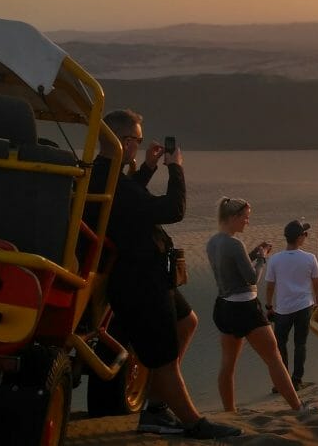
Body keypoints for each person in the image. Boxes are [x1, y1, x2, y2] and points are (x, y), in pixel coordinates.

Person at [86, 109, 241, 439]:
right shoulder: (111, 179)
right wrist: (176, 169)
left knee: (187, 322)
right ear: (124, 141)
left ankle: (156, 407)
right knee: (164, 358)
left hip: (152, 274)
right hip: (138, 281)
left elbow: (128, 201)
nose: (139, 145)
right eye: (137, 140)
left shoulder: (107, 175)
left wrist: (148, 168)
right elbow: (173, 210)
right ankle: (193, 423)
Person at [206, 197, 305, 412]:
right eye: (245, 218)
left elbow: (231, 266)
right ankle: (298, 407)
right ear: (233, 217)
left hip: (224, 308)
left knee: (227, 364)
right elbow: (251, 278)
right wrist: (261, 258)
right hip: (245, 308)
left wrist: (252, 253)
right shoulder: (234, 243)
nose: (247, 222)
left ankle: (229, 412)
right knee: (274, 358)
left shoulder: (213, 242)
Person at [265, 219, 318, 390]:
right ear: (299, 238)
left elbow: (270, 285)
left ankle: (283, 382)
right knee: (300, 343)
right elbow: (316, 284)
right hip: (304, 306)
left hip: (283, 308)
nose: (305, 236)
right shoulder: (309, 258)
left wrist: (269, 306)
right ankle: (296, 380)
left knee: (280, 344)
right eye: (304, 234)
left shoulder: (275, 259)